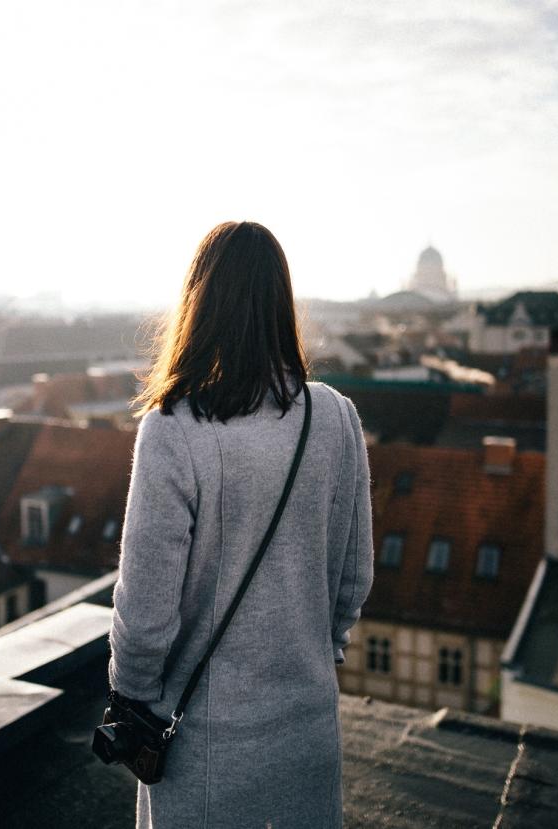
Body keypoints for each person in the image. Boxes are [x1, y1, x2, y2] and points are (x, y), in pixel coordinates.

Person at [108, 221, 374, 828]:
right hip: (309, 730)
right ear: (281, 303)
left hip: (204, 747)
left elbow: (145, 610)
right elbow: (354, 577)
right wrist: (316, 653)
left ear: (198, 303)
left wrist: (135, 700)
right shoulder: (335, 417)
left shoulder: (173, 430)